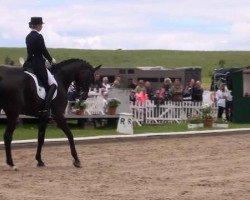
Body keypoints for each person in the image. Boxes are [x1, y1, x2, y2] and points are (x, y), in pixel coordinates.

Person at [25, 17, 57, 118]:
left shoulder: (28, 37)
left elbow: (31, 52)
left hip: (29, 63)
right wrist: (51, 59)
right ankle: (46, 109)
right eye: (41, 25)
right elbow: (43, 50)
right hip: (38, 64)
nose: (42, 26)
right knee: (53, 84)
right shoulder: (39, 36)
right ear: (37, 25)